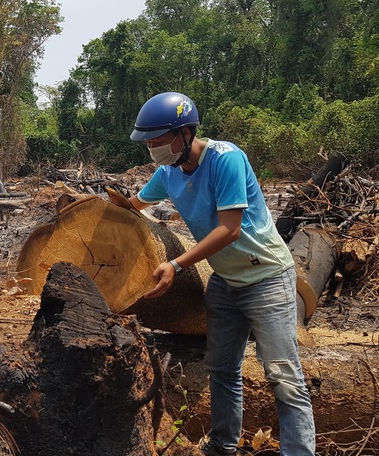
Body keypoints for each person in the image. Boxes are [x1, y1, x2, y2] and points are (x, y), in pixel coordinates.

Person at [127, 92, 316, 456]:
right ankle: (222, 446)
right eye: (147, 142)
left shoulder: (225, 159)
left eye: (157, 140)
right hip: (225, 283)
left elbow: (230, 228)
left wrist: (176, 264)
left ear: (184, 133)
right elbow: (134, 206)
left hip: (267, 280)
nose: (152, 148)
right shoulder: (167, 173)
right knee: (223, 371)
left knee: (283, 377)